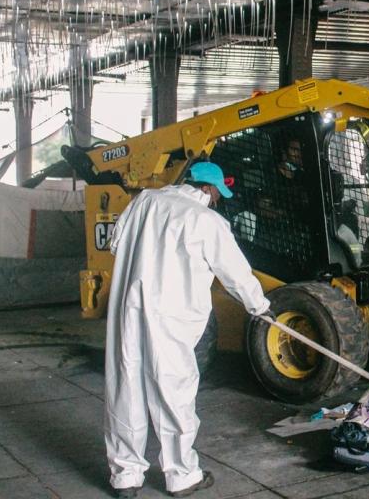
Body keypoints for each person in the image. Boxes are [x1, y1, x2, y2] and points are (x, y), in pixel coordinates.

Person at [104, 162, 271, 498]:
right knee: (173, 392)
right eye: (216, 195)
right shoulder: (206, 221)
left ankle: (126, 476)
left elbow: (114, 243)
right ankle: (181, 476)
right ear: (208, 190)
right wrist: (260, 307)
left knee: (126, 387)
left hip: (129, 310)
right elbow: (235, 273)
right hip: (172, 317)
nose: (215, 200)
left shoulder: (145, 201)